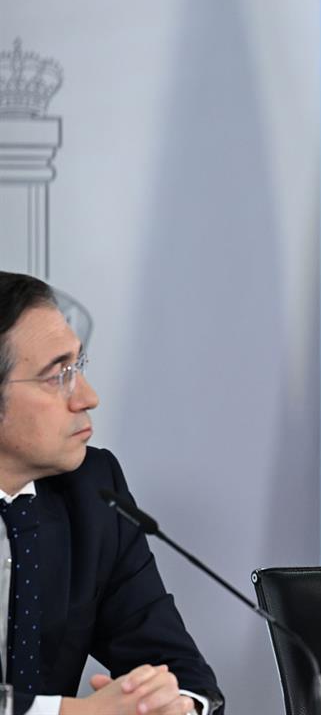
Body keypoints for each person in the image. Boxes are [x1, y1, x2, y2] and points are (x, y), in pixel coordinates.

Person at [0, 272, 221, 715]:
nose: (88, 397)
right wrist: (74, 714)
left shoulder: (94, 490)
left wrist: (172, 706)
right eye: (55, 376)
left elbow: (180, 670)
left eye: (78, 368)